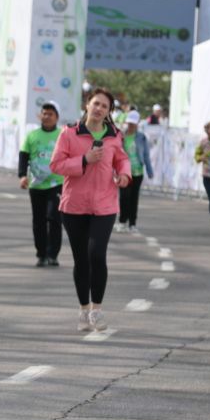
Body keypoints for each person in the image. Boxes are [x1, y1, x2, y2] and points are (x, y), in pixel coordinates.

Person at [50, 87, 132, 333]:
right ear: (87, 104)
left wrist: (125, 174)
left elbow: (122, 159)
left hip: (105, 205)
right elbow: (56, 165)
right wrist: (84, 160)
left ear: (109, 112)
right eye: (96, 104)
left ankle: (97, 310)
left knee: (97, 255)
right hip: (74, 205)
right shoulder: (69, 134)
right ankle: (84, 309)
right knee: (81, 260)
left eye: (104, 106)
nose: (99, 109)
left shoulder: (115, 135)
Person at [18, 102, 65, 267]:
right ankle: (41, 254)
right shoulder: (32, 136)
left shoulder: (62, 135)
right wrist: (22, 176)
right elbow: (23, 156)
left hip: (56, 183)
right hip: (36, 185)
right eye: (44, 114)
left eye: (50, 114)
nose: (46, 117)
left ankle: (53, 254)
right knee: (38, 221)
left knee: (54, 218)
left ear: (56, 117)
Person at [116, 111, 154, 234]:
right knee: (124, 197)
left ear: (137, 123)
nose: (131, 125)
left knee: (133, 198)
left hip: (138, 172)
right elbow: (115, 154)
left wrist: (149, 170)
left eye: (134, 123)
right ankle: (122, 221)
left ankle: (132, 223)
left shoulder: (141, 137)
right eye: (130, 123)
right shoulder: (120, 136)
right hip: (124, 172)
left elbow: (146, 155)